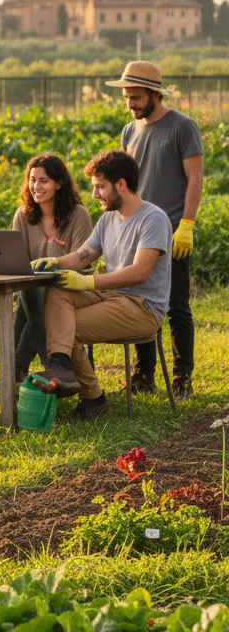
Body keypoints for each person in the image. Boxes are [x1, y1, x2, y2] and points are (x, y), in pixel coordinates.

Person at [36, 149, 172, 421]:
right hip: (111, 298)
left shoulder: (153, 219)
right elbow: (83, 255)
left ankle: (93, 399)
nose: (95, 195)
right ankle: (61, 367)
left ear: (121, 184)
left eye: (100, 187)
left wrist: (88, 281)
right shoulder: (109, 219)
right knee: (58, 290)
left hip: (142, 307)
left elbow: (139, 272)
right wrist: (54, 262)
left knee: (65, 329)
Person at [107, 61, 203, 399]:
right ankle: (143, 374)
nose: (130, 103)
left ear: (154, 93)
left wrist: (186, 225)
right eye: (126, 97)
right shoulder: (129, 131)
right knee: (136, 299)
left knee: (176, 304)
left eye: (135, 97)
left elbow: (195, 178)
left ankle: (182, 377)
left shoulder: (182, 127)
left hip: (173, 230)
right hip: (138, 230)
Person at [11, 153, 93, 383]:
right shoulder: (23, 216)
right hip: (31, 290)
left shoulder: (78, 214)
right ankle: (57, 368)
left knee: (28, 310)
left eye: (43, 180)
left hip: (69, 289)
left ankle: (17, 367)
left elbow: (81, 261)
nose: (36, 186)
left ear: (59, 183)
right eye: (32, 179)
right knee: (30, 292)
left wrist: (57, 261)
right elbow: (18, 262)